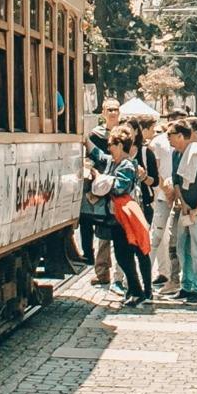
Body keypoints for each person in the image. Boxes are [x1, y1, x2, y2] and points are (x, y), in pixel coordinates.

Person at [91, 126, 151, 305]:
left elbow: (119, 188)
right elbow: (98, 154)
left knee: (134, 253)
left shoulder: (126, 164)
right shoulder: (113, 161)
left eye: (111, 145)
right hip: (118, 217)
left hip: (127, 216)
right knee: (123, 255)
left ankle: (141, 291)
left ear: (120, 145)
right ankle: (136, 290)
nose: (109, 148)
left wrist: (101, 179)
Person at [169, 119, 197, 303]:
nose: (169, 140)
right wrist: (182, 202)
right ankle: (186, 285)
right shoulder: (176, 154)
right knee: (182, 247)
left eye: (170, 136)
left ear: (181, 136)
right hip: (185, 207)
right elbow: (176, 180)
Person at [78, 99, 121, 278]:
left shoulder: (124, 134)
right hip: (98, 182)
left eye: (116, 109)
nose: (113, 112)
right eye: (109, 109)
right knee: (92, 221)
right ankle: (95, 261)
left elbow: (102, 156)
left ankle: (115, 273)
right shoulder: (96, 134)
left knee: (113, 228)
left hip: (114, 187)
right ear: (103, 112)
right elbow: (95, 156)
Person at [148, 118, 181, 293]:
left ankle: (169, 274)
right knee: (156, 236)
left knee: (173, 238)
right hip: (162, 195)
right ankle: (149, 274)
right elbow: (156, 169)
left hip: (177, 195)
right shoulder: (158, 143)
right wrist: (165, 190)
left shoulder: (181, 141)